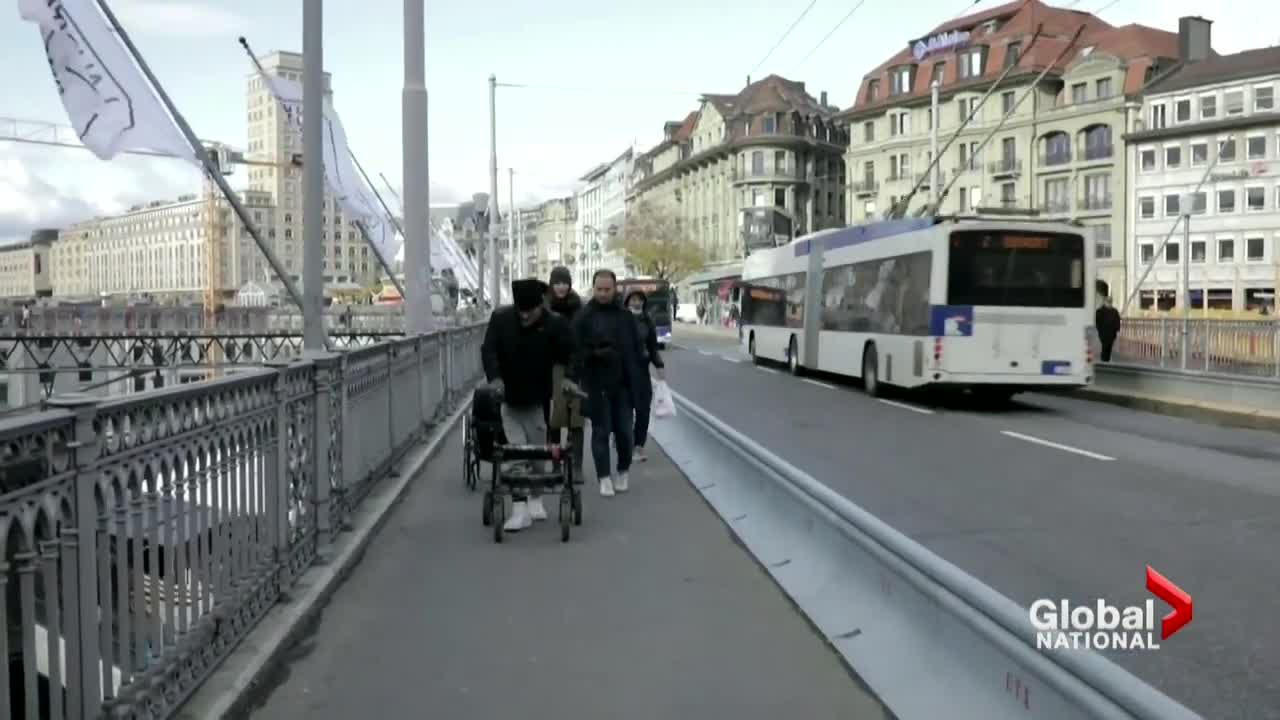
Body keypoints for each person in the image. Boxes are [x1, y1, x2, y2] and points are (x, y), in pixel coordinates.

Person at [481, 278, 575, 532]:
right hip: (509, 399)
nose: (525, 317)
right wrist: (495, 378)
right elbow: (488, 351)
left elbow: (570, 352)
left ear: (541, 306)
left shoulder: (555, 324)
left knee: (536, 453)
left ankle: (535, 497)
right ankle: (519, 508)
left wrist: (568, 378)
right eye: (521, 312)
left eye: (530, 312)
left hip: (539, 398)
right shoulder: (500, 320)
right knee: (515, 453)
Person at [571, 269, 647, 497]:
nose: (603, 293)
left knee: (625, 432)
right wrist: (593, 354)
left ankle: (623, 471)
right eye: (599, 289)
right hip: (596, 384)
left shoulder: (625, 317)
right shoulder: (583, 317)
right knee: (601, 431)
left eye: (607, 289)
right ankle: (604, 477)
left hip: (623, 384)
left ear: (615, 289)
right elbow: (574, 351)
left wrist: (639, 382)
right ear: (593, 289)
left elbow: (636, 351)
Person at [545, 266, 586, 477]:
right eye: (558, 282)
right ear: (552, 284)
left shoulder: (578, 306)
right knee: (556, 417)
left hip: (577, 365)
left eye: (565, 282)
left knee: (577, 417)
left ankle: (577, 466)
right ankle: (555, 464)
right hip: (554, 366)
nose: (561, 287)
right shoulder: (545, 307)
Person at [623, 288, 666, 462]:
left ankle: (638, 446)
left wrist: (659, 365)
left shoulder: (648, 321)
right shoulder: (621, 320)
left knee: (643, 412)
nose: (636, 302)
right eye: (633, 299)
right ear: (627, 302)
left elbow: (653, 347)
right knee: (624, 412)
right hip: (623, 375)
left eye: (639, 299)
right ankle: (624, 441)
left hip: (641, 374)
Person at [1095, 296, 1121, 362]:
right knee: (1105, 346)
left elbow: (1117, 321)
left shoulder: (1114, 311)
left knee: (1109, 347)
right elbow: (1097, 322)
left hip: (1112, 333)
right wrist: (1099, 329)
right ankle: (1104, 359)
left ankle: (1106, 359)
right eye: (1108, 302)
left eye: (1110, 302)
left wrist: (1117, 330)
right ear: (1105, 302)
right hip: (1103, 333)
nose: (1109, 303)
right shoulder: (1100, 311)